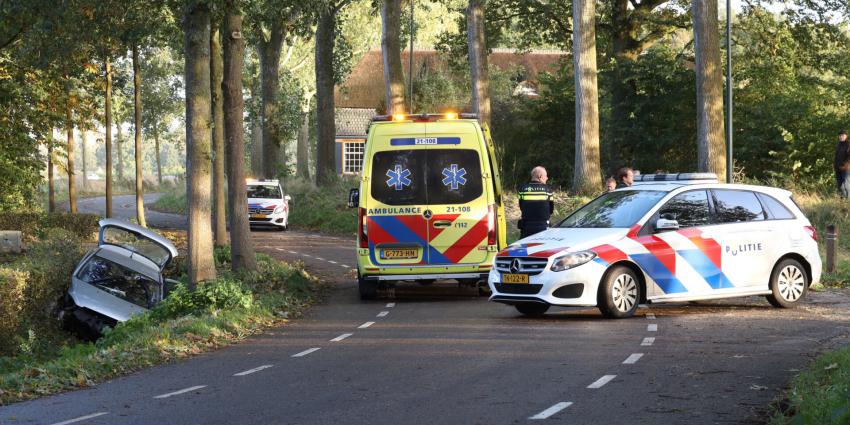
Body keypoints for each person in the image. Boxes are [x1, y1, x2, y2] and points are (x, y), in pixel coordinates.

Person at [518, 166, 554, 238]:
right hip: (543, 227)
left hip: (526, 227)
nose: (547, 178)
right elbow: (551, 209)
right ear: (540, 176)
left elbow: (521, 206)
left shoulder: (523, 189)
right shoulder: (548, 190)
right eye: (546, 176)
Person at [835, 130, 850, 199]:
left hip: (846, 169)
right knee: (840, 186)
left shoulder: (848, 144)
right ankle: (842, 200)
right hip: (838, 168)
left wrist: (845, 164)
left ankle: (848, 200)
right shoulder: (838, 145)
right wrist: (835, 165)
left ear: (846, 136)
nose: (841, 137)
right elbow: (836, 156)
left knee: (846, 185)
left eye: (843, 135)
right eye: (840, 135)